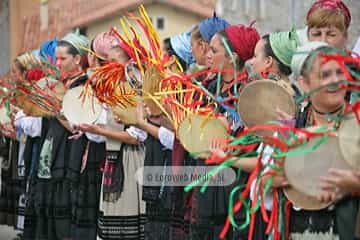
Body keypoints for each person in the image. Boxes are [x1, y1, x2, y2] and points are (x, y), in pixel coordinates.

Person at [189, 24, 260, 240]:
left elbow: (251, 143)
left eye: (214, 50)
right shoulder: (208, 87)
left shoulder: (249, 93)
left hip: (232, 184)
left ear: (231, 57)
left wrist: (224, 130)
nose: (208, 55)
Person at [77, 30, 148, 240]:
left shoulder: (136, 89)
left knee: (126, 215)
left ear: (129, 63)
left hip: (131, 159)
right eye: (108, 61)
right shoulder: (112, 89)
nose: (110, 66)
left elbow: (137, 136)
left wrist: (100, 130)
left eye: (115, 61)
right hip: (114, 157)